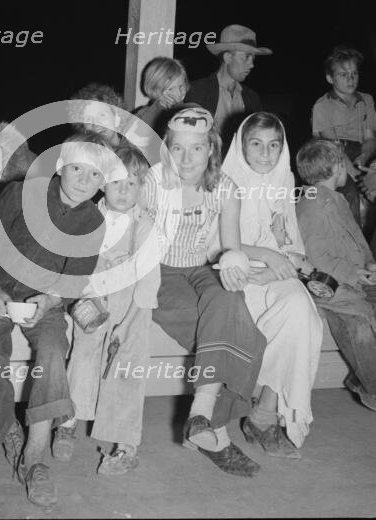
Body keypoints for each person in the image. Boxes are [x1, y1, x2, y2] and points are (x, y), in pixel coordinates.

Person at [0, 132, 113, 508]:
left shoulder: (94, 221)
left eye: (94, 174)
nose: (83, 179)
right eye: (77, 169)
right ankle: (7, 431)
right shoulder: (21, 192)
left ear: (103, 182)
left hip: (44, 301)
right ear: (61, 166)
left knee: (52, 350)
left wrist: (52, 300)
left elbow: (75, 275)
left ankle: (35, 454)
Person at [142, 106, 266, 477]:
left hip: (199, 267)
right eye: (177, 148)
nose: (186, 158)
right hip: (157, 272)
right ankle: (214, 433)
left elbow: (231, 248)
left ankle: (199, 414)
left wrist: (235, 262)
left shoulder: (225, 188)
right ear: (166, 148)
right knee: (249, 339)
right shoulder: (152, 183)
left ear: (211, 148)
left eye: (196, 148)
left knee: (229, 298)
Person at [53, 145, 160, 475]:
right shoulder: (90, 217)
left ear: (142, 187)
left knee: (126, 368)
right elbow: (75, 262)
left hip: (134, 305)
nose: (124, 191)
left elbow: (148, 276)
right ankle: (67, 422)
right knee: (83, 357)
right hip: (94, 300)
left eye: (132, 183)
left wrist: (131, 319)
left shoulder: (145, 225)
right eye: (116, 183)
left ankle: (125, 444)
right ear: (102, 185)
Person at [220, 112, 323, 456]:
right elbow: (217, 244)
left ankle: (263, 414)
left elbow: (291, 243)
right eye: (256, 145)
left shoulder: (284, 180)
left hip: (273, 273)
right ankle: (260, 414)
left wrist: (288, 261)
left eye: (273, 146)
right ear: (242, 145)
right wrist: (266, 257)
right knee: (278, 313)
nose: (265, 154)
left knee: (300, 308)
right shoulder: (225, 181)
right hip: (235, 272)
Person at [296, 138, 376, 411]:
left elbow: (355, 239)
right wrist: (354, 273)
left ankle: (359, 377)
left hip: (353, 276)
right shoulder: (312, 203)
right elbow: (317, 258)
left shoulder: (336, 198)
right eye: (345, 165)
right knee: (361, 319)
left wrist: (369, 264)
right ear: (337, 167)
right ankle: (371, 388)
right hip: (328, 284)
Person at [311, 45, 376, 227]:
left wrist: (365, 156)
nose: (351, 79)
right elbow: (334, 147)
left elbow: (370, 138)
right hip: (334, 156)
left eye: (354, 73)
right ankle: (353, 247)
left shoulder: (367, 100)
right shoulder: (322, 106)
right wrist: (357, 176)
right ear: (330, 78)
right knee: (348, 193)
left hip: (361, 152)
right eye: (343, 75)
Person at [185, 24, 271, 145]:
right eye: (246, 57)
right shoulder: (196, 91)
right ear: (228, 57)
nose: (251, 65)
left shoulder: (252, 98)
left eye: (253, 59)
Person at [135, 56, 189, 137]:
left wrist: (179, 107)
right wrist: (157, 107)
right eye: (170, 89)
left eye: (181, 87)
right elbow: (138, 137)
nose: (178, 93)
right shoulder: (142, 115)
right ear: (155, 90)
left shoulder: (192, 109)